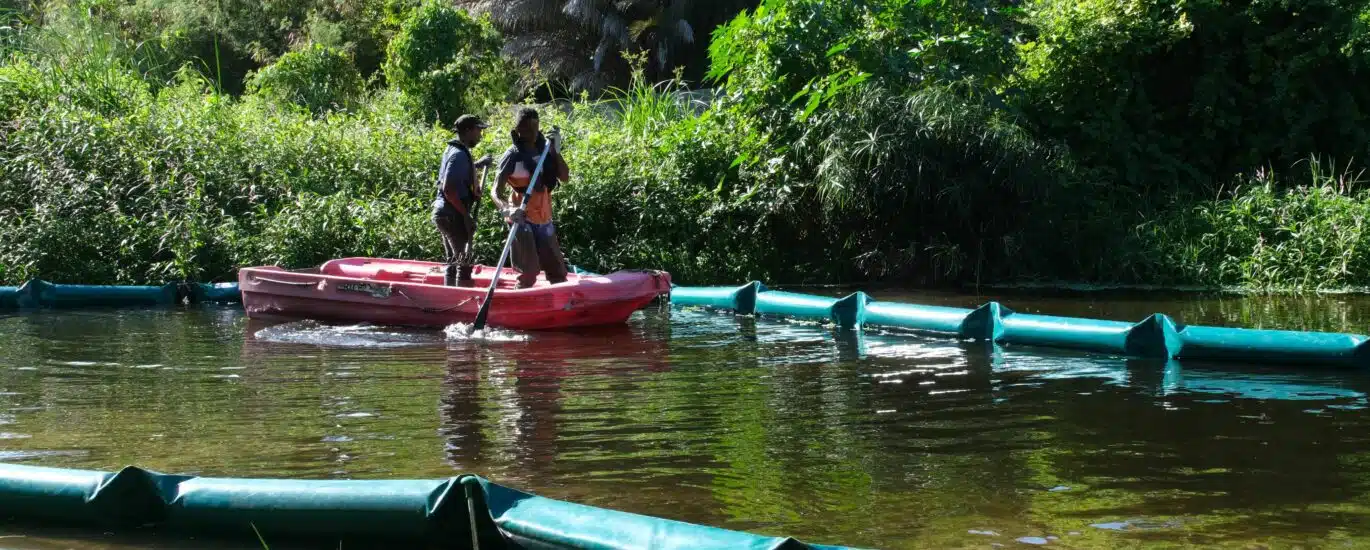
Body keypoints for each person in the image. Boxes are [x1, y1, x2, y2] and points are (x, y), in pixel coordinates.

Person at [491, 108, 571, 288]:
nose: (533, 134)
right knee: (528, 272)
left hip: (544, 217)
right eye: (527, 130)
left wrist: (556, 152)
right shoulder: (511, 155)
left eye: (535, 128)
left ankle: (560, 306)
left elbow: (565, 177)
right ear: (518, 130)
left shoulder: (546, 150)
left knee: (557, 269)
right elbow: (495, 191)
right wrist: (507, 209)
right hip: (521, 218)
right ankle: (521, 298)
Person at [433, 114, 493, 287]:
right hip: (452, 215)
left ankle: (448, 299)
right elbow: (448, 189)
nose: (480, 135)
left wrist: (478, 165)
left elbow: (459, 173)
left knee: (453, 262)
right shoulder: (458, 154)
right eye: (478, 130)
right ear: (467, 131)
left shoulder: (454, 151)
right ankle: (462, 305)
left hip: (445, 213)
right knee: (464, 264)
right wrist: (466, 216)